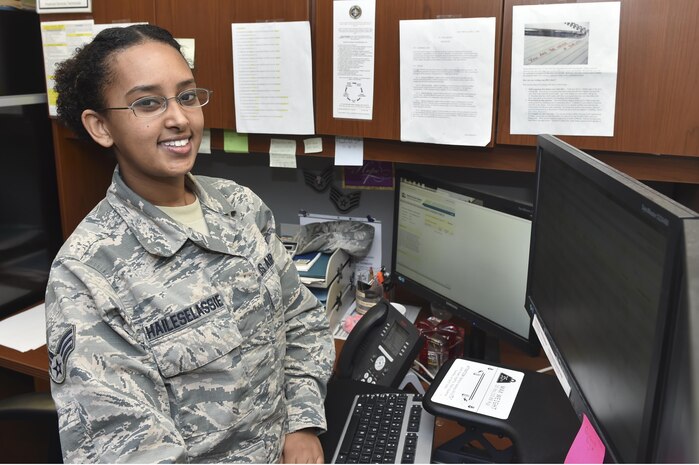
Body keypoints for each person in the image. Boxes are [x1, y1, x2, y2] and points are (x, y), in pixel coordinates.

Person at [45, 24, 335, 463]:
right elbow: (126, 450)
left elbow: (301, 321)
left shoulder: (240, 206)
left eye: (186, 95)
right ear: (101, 126)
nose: (178, 118)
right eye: (147, 103)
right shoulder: (85, 275)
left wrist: (302, 423)